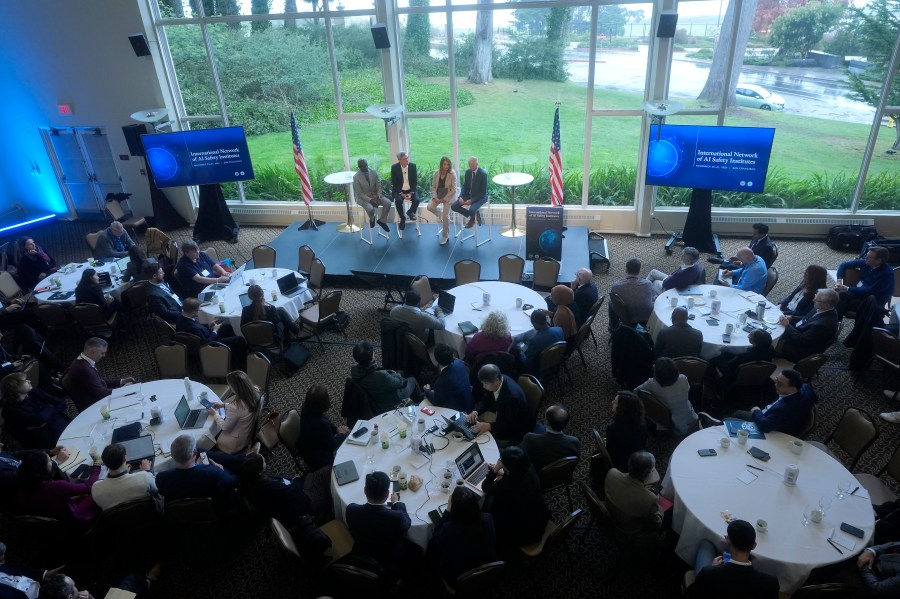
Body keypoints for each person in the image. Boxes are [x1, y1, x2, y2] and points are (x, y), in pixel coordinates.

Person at [686, 519, 779, 598]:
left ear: (727, 540)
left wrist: (713, 568)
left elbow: (691, 594)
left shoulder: (708, 574)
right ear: (754, 546)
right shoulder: (771, 583)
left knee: (705, 545)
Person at [481, 445, 549, 552]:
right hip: (539, 519)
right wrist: (505, 472)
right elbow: (516, 477)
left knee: (486, 503)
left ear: (508, 469)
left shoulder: (507, 485)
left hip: (524, 533)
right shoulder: (530, 468)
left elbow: (485, 487)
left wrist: (495, 469)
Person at [427, 486, 497, 587]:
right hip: (487, 568)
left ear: (454, 510)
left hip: (459, 579)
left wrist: (447, 512)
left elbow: (434, 542)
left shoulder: (448, 529)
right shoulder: (487, 518)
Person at [345, 471, 412, 577]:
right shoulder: (396, 517)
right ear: (387, 494)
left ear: (365, 490)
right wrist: (397, 503)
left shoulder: (351, 509)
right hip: (388, 558)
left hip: (361, 552)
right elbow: (407, 524)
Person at [237, 453, 330, 527]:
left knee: (311, 475)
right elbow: (297, 494)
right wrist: (297, 481)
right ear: (259, 471)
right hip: (305, 506)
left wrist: (294, 481)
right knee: (326, 471)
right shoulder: (274, 487)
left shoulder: (251, 485)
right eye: (263, 460)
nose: (265, 459)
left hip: (288, 512)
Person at [155, 434, 240, 515]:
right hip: (213, 512)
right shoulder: (214, 473)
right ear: (195, 452)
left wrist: (197, 465)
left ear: (172, 456)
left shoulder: (161, 478)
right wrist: (222, 470)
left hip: (181, 516)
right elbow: (232, 482)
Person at [16, 450, 101, 527]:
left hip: (54, 516)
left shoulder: (24, 486)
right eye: (50, 461)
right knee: (99, 489)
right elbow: (90, 486)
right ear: (44, 470)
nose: (52, 461)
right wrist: (97, 465)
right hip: (73, 518)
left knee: (80, 485)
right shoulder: (56, 487)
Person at [603, 451, 662, 551]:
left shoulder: (612, 473)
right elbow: (656, 524)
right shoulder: (650, 499)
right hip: (629, 534)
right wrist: (659, 506)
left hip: (610, 518)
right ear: (647, 473)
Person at [731, 369, 817, 436]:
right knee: (738, 413)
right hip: (779, 417)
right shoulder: (806, 387)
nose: (775, 385)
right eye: (776, 380)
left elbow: (764, 425)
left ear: (793, 388)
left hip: (774, 429)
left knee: (732, 418)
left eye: (779, 384)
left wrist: (756, 411)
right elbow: (815, 397)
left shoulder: (784, 409)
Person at [465, 364, 533, 446]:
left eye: (486, 383)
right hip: (503, 413)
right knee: (475, 423)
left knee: (480, 436)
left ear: (496, 380)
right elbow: (486, 400)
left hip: (515, 428)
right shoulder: (499, 378)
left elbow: (510, 424)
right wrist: (475, 411)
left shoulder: (512, 398)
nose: (483, 386)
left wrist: (489, 426)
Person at [63, 337, 134, 412]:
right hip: (93, 406)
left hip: (96, 396)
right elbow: (101, 394)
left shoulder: (82, 360)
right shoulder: (84, 369)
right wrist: (122, 389)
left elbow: (99, 381)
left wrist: (122, 381)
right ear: (93, 352)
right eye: (102, 353)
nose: (104, 355)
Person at [0, 373, 68, 450]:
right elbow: (39, 420)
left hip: (56, 423)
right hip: (44, 439)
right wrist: (50, 406)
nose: (29, 381)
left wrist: (46, 417)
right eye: (25, 381)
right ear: (15, 388)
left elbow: (61, 403)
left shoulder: (33, 392)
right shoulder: (9, 411)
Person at [350, 341, 418, 414]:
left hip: (375, 392)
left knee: (401, 372)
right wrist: (395, 374)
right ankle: (419, 399)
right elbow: (401, 383)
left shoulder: (354, 370)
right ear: (372, 356)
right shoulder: (382, 376)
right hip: (391, 399)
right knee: (412, 380)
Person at [176, 298, 246, 368]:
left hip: (203, 336)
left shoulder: (181, 318)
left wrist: (209, 326)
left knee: (228, 327)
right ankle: (241, 363)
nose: (199, 311)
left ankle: (231, 354)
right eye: (198, 310)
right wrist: (215, 330)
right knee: (239, 340)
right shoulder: (194, 328)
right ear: (193, 312)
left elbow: (198, 327)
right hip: (210, 344)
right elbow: (207, 342)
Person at [635, 357, 697, 435]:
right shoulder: (683, 378)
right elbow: (687, 389)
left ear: (656, 372)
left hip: (668, 422)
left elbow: (636, 391)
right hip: (688, 417)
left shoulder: (651, 383)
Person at [90, 443, 157, 511]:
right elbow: (156, 490)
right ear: (125, 458)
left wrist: (124, 472)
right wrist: (147, 471)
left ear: (105, 463)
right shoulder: (145, 477)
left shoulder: (95, 489)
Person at [777, 288, 839, 362]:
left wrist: (787, 325)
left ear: (826, 305)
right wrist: (792, 318)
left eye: (816, 300)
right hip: (800, 332)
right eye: (815, 296)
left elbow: (801, 340)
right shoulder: (825, 308)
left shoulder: (822, 325)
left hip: (798, 351)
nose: (813, 300)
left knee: (769, 339)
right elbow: (806, 318)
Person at [206, 370, 260, 454]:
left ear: (236, 389)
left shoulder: (235, 407)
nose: (231, 389)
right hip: (247, 434)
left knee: (210, 438)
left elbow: (225, 427)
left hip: (235, 442)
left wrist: (215, 414)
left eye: (231, 387)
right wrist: (223, 405)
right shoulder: (255, 392)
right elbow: (242, 410)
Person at [298, 385, 349, 471]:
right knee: (348, 437)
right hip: (319, 459)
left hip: (306, 449)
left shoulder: (306, 407)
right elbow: (332, 445)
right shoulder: (322, 424)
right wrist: (341, 434)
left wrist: (336, 429)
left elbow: (325, 420)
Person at [835, 246, 894, 316]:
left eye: (869, 257)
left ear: (878, 261)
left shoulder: (887, 274)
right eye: (867, 255)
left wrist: (847, 288)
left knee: (840, 301)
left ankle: (835, 319)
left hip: (873, 300)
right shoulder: (867, 262)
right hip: (860, 293)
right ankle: (835, 319)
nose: (866, 258)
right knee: (840, 296)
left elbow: (869, 291)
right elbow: (843, 264)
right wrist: (839, 281)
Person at [520, 404, 581, 471]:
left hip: (536, 472)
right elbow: (576, 459)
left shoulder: (530, 439)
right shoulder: (574, 441)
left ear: (547, 422)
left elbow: (521, 456)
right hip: (562, 472)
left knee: (539, 427)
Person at [605, 391, 648, 473]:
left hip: (620, 464)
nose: (612, 402)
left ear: (622, 409)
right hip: (637, 460)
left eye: (615, 402)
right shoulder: (643, 424)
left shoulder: (613, 428)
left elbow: (610, 450)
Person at [423, 344, 473, 413]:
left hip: (458, 411)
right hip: (469, 402)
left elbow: (437, 402)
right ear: (452, 355)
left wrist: (427, 391)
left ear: (436, 360)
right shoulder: (460, 362)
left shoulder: (441, 382)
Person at [512, 309, 564, 375]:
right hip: (556, 358)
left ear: (535, 323)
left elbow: (527, 360)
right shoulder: (559, 329)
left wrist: (520, 351)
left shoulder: (534, 340)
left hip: (538, 365)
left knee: (514, 351)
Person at [609, 258, 658, 328]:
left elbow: (614, 298)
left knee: (610, 302)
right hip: (646, 317)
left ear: (626, 270)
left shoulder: (616, 286)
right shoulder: (648, 284)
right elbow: (654, 297)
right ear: (639, 271)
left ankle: (612, 326)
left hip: (627, 318)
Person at [352, 158, 391, 232]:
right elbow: (360, 193)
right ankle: (372, 218)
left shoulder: (373, 172)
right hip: (363, 198)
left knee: (388, 203)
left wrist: (378, 196)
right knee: (370, 209)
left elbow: (378, 185)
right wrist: (371, 200)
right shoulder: (356, 177)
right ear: (359, 167)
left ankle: (382, 221)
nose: (365, 167)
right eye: (363, 166)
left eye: (366, 165)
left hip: (375, 195)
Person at [451, 156, 488, 229]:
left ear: (477, 164)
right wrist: (460, 197)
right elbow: (465, 186)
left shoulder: (483, 174)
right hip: (469, 195)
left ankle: (472, 219)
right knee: (454, 206)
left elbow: (483, 192)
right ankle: (473, 214)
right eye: (469, 165)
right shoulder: (468, 172)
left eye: (472, 165)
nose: (470, 167)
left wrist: (471, 200)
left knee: (471, 209)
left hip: (480, 197)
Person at [427, 156, 457, 245]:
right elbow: (433, 187)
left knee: (445, 215)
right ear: (441, 164)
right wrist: (435, 197)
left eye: (448, 164)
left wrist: (445, 199)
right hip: (438, 195)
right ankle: (441, 216)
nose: (446, 166)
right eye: (444, 164)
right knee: (430, 207)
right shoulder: (437, 173)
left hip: (449, 196)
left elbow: (454, 190)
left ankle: (445, 236)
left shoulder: (452, 174)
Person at [390, 151, 420, 231]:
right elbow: (394, 183)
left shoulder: (412, 166)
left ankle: (410, 212)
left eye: (407, 158)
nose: (407, 160)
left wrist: (412, 192)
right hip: (399, 190)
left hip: (410, 189)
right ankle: (402, 218)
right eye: (404, 159)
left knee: (417, 200)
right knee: (398, 201)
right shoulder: (394, 168)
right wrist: (401, 193)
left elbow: (414, 182)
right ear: (400, 160)